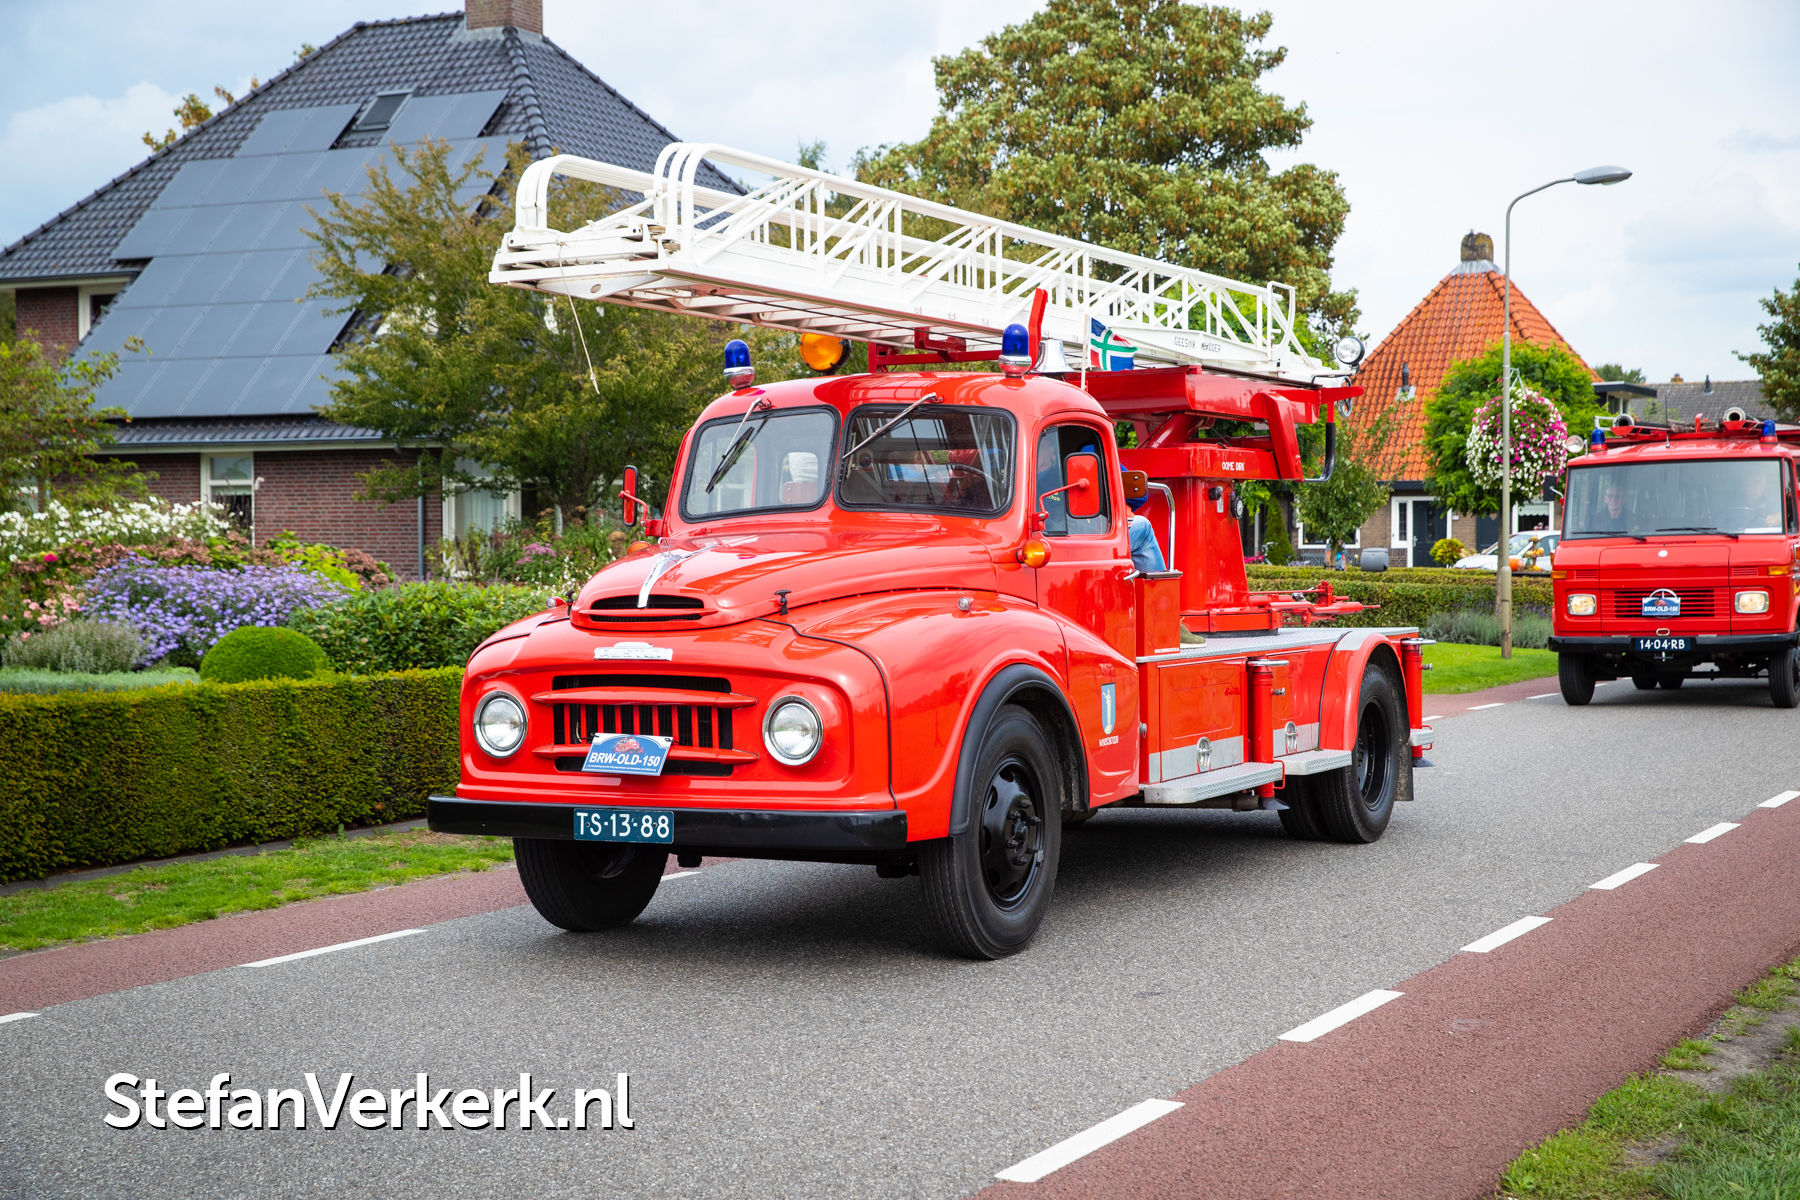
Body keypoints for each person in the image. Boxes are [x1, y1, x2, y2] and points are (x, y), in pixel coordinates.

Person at [1127, 494, 1167, 573]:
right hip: (1112, 519)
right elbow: (1140, 497)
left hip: (1101, 523)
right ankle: (1156, 583)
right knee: (1143, 525)